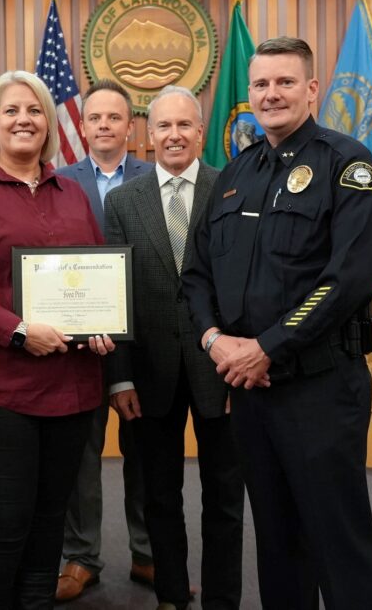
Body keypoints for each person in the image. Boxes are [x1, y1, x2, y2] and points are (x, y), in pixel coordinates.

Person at [182, 37, 372, 609]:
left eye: (285, 82)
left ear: (312, 89)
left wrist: (267, 346)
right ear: (248, 94)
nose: (271, 94)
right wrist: (216, 341)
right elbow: (196, 274)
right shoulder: (234, 175)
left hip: (320, 389)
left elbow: (348, 276)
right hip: (250, 392)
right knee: (277, 541)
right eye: (261, 84)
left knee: (338, 539)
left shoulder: (347, 163)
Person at [0, 70, 115, 608]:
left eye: (34, 111)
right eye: (11, 111)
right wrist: (17, 331)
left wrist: (101, 327)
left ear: (50, 124)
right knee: (2, 526)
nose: (24, 119)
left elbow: (96, 276)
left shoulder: (74, 194)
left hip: (69, 388)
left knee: (49, 523)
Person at [106, 86, 244, 610]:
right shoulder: (122, 202)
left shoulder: (232, 190)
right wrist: (118, 377)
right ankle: (169, 597)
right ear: (148, 134)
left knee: (225, 498)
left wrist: (242, 363)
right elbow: (115, 295)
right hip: (148, 374)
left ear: (201, 132)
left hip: (223, 370)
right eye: (163, 126)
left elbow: (244, 284)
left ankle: (223, 600)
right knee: (160, 497)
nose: (174, 135)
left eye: (184, 125)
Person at [53, 79, 155, 602]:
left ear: (130, 125)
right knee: (81, 457)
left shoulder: (155, 177)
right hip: (82, 344)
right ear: (82, 124)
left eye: (115, 117)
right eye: (95, 118)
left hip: (146, 339)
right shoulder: (58, 182)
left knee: (145, 453)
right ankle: (81, 556)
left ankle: (147, 553)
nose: (104, 126)